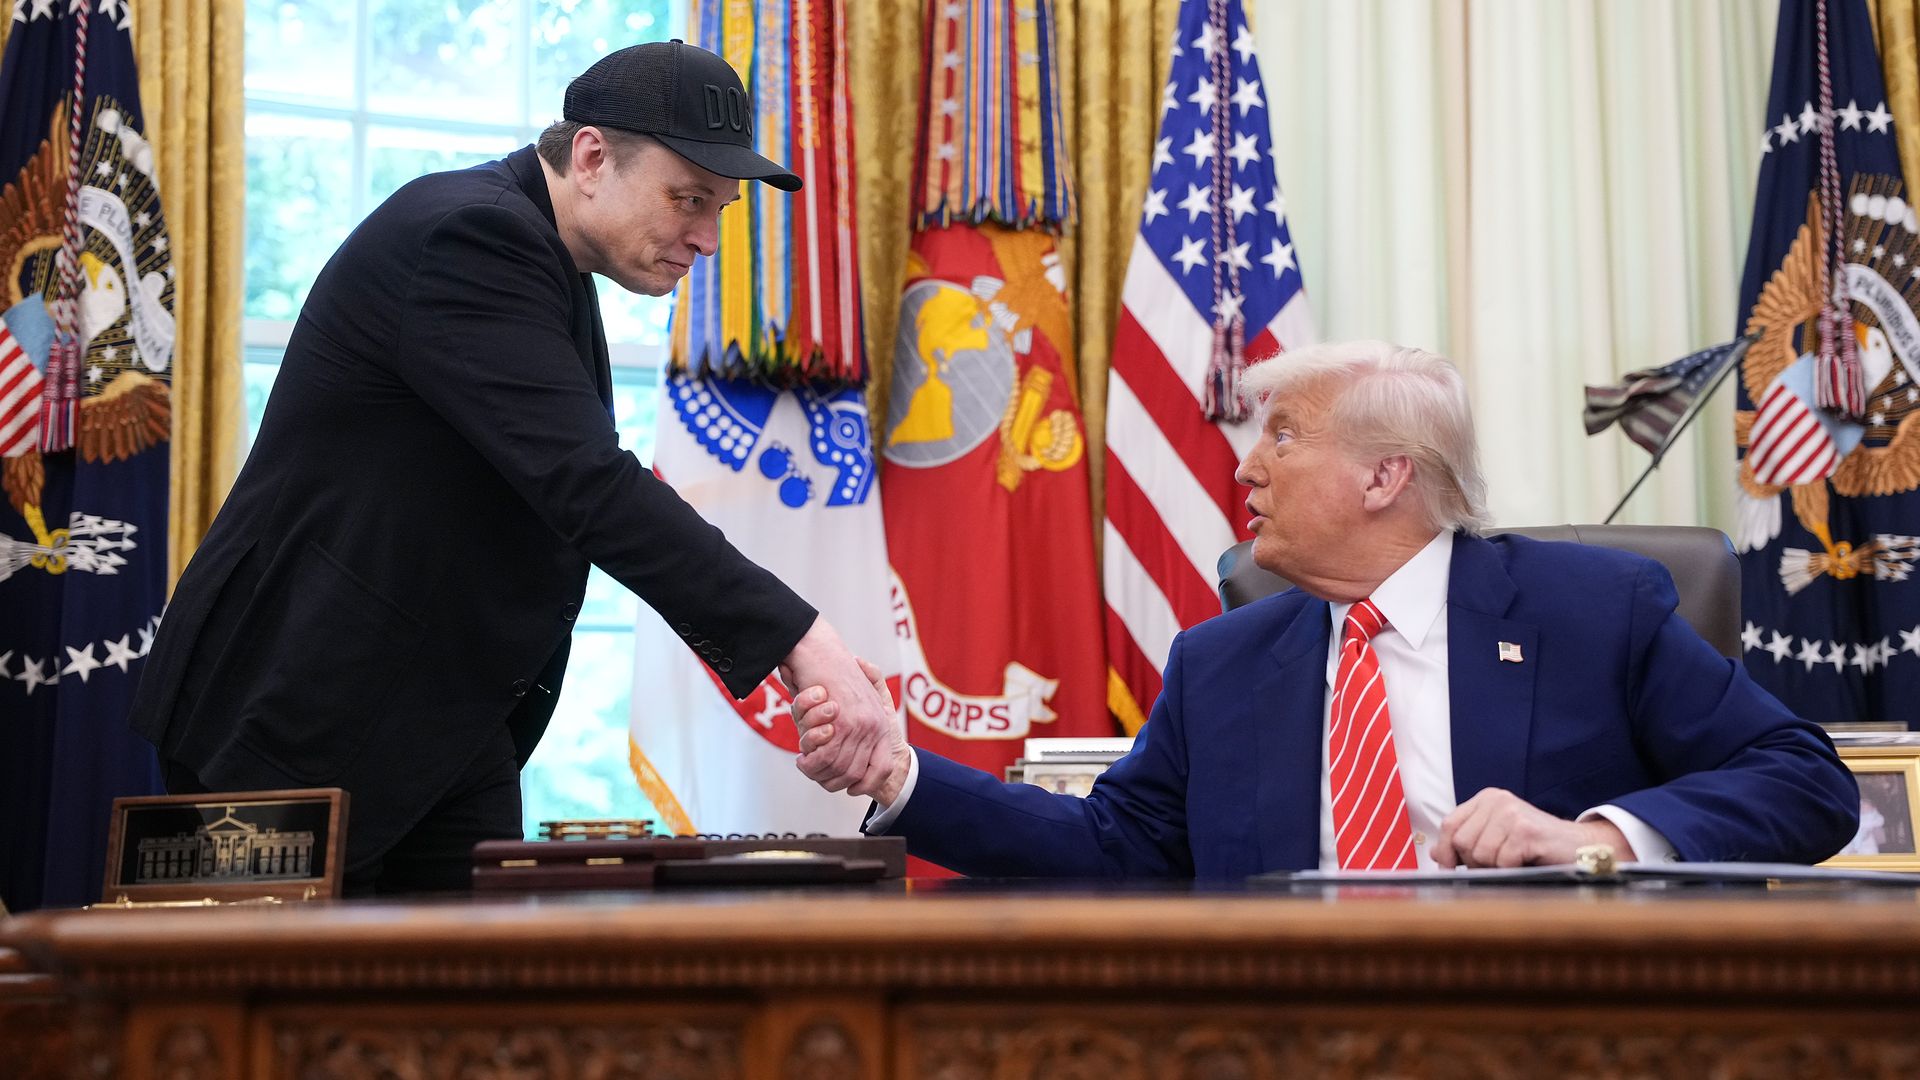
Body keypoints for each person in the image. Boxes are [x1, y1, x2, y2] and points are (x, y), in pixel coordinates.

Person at [127, 40, 893, 894]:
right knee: (260, 1025)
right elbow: (589, 485)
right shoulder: (471, 235)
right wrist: (801, 641)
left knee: (470, 1016)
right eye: (688, 200)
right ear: (593, 157)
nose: (708, 239)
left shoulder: (548, 258)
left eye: (721, 208)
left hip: (441, 730)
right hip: (286, 722)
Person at [791, 340, 1860, 876]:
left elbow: (1807, 783)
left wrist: (1598, 838)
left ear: (1385, 477)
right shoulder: (1223, 661)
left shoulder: (1593, 608)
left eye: (1285, 436)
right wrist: (900, 773)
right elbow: (1117, 847)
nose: (1249, 467)